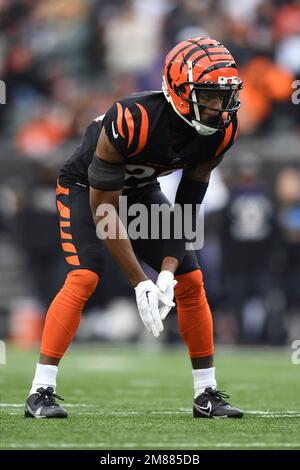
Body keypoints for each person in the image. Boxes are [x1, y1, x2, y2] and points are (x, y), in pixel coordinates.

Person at [25, 37, 243, 419]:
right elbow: (105, 211)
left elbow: (188, 207)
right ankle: (40, 390)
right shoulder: (130, 119)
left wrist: (168, 271)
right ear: (178, 90)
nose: (217, 107)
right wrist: (140, 280)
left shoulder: (222, 130)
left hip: (140, 190)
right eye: (208, 95)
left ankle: (206, 394)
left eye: (223, 96)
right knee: (85, 274)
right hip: (86, 190)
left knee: (190, 280)